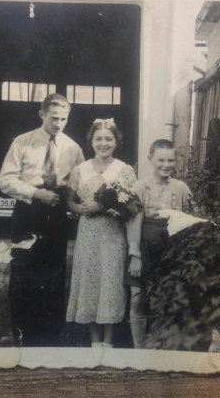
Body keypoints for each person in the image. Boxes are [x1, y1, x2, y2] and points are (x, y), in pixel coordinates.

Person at [0, 93, 85, 346]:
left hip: (55, 214)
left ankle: (49, 335)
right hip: (27, 211)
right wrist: (36, 193)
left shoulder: (73, 148)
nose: (58, 124)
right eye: (54, 118)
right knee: (23, 271)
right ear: (42, 114)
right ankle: (22, 333)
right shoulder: (22, 142)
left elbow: (80, 182)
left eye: (64, 119)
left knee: (54, 274)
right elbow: (6, 180)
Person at [65, 119, 140, 348]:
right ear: (91, 141)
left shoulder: (125, 170)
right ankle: (94, 341)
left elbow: (132, 205)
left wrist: (104, 207)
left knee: (111, 283)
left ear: (116, 141)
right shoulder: (80, 169)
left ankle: (109, 342)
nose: (103, 143)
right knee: (89, 281)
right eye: (99, 139)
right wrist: (79, 209)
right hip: (88, 235)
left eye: (109, 139)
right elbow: (69, 200)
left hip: (113, 236)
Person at [125, 139, 192, 348]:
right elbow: (132, 222)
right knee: (138, 298)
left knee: (166, 298)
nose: (166, 164)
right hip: (143, 247)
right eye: (161, 159)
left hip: (170, 251)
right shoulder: (139, 188)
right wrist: (134, 254)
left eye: (171, 160)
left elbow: (189, 223)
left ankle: (159, 346)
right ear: (150, 160)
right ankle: (139, 348)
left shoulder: (181, 188)